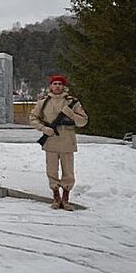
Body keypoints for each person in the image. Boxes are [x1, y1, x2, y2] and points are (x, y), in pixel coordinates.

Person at [29, 75, 88, 211]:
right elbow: (33, 118)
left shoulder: (73, 102)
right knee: (52, 170)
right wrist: (44, 128)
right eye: (54, 84)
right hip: (51, 141)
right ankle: (56, 197)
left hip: (67, 140)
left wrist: (72, 114)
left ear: (64, 86)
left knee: (68, 171)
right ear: (50, 86)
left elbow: (83, 121)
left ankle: (65, 198)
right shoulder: (43, 102)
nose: (57, 86)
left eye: (60, 84)